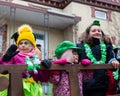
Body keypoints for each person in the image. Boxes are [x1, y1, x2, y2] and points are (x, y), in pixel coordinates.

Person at [0, 24, 51, 96]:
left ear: (32, 46)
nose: (23, 45)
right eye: (20, 43)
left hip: (33, 90)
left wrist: (45, 69)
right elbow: (4, 70)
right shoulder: (15, 56)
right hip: (17, 88)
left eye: (26, 43)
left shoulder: (35, 58)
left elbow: (43, 78)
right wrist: (5, 59)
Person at [77, 20, 120, 96]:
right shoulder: (80, 46)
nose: (97, 32)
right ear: (88, 34)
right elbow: (76, 59)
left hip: (102, 83)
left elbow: (111, 58)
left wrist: (113, 61)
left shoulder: (107, 46)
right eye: (93, 31)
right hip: (86, 83)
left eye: (99, 31)